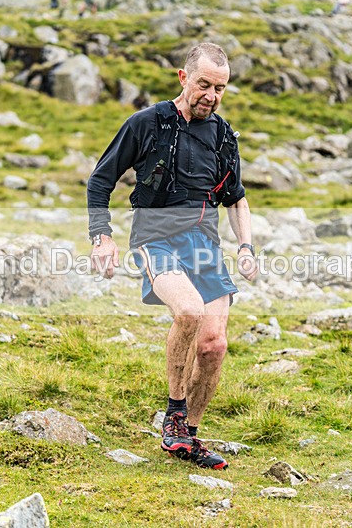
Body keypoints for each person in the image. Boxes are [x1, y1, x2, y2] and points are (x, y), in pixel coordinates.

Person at [87, 43, 258, 471]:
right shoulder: (147, 123)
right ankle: (174, 413)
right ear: (184, 78)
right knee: (188, 311)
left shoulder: (223, 136)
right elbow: (100, 180)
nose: (211, 96)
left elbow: (236, 198)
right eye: (204, 85)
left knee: (214, 345)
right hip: (155, 241)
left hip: (204, 245)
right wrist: (100, 237)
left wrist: (246, 247)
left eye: (220, 88)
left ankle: (188, 436)